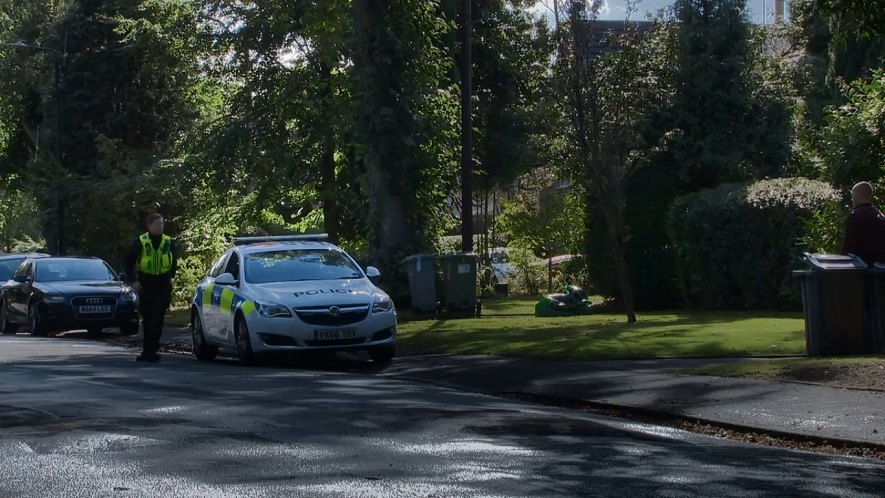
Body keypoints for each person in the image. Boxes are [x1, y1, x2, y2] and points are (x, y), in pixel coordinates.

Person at [124, 213, 177, 362]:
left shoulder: (168, 241)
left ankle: (153, 349)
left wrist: (171, 275)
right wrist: (133, 280)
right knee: (147, 317)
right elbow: (129, 260)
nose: (161, 226)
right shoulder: (141, 241)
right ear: (149, 226)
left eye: (162, 224)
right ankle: (147, 351)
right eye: (157, 224)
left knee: (157, 317)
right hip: (146, 283)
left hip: (162, 283)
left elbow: (174, 260)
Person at [842, 181, 885, 265]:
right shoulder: (880, 215)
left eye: (853, 196)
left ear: (857, 196)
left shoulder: (856, 215)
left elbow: (849, 246)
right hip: (880, 267)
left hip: (863, 267)